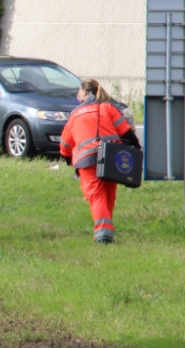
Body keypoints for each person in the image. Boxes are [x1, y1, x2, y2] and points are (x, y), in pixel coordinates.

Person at [59, 79, 140, 243]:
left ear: (84, 93)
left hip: (87, 160)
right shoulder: (108, 108)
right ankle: (106, 230)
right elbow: (127, 133)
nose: (77, 95)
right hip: (112, 157)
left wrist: (68, 158)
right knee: (108, 195)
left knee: (96, 196)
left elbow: (65, 144)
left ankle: (103, 234)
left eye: (79, 91)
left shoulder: (75, 114)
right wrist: (136, 151)